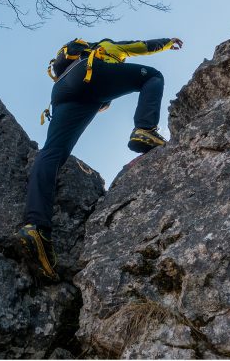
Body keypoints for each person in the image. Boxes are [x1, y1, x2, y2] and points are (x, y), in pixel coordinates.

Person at [16, 37, 183, 281]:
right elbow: (142, 46)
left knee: (52, 153)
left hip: (62, 91)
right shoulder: (106, 46)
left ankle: (36, 227)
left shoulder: (67, 65)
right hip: (89, 76)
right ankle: (145, 129)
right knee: (153, 76)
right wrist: (168, 42)